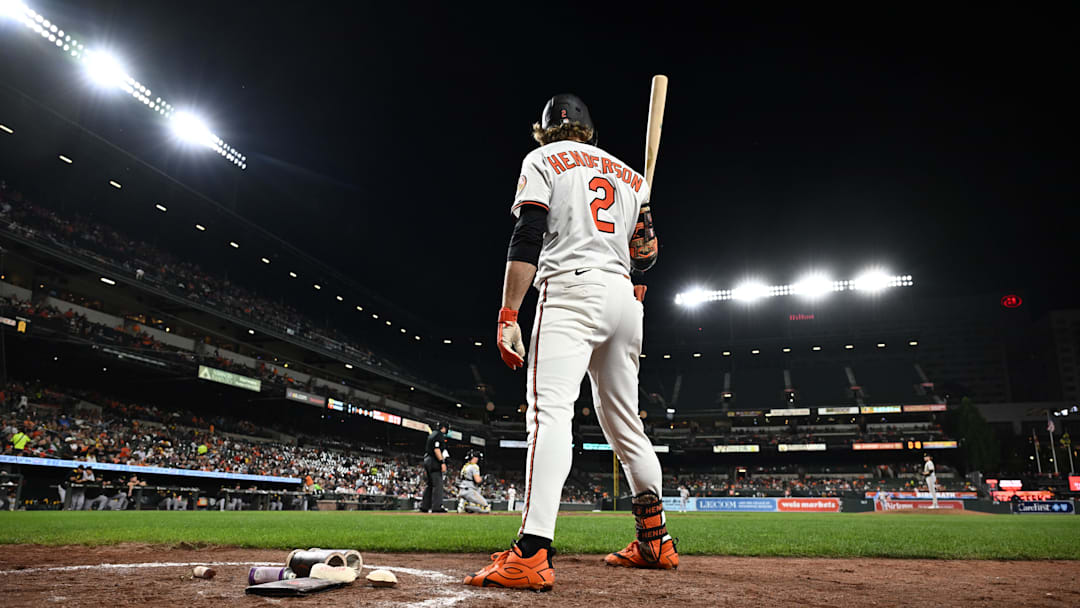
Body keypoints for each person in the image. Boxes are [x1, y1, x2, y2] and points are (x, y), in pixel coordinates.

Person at [466, 94, 675, 592]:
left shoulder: (541, 159)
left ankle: (532, 550)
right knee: (624, 424)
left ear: (543, 130)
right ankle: (654, 538)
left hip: (571, 291)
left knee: (550, 412)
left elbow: (527, 236)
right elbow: (643, 257)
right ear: (589, 129)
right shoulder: (630, 177)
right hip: (625, 301)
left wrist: (508, 313)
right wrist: (644, 242)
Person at [420, 422, 449, 513]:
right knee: (438, 485)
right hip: (434, 461)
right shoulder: (439, 435)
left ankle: (424, 506)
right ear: (444, 428)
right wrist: (442, 462)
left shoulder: (432, 434)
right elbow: (437, 449)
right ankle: (437, 507)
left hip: (427, 459)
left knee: (430, 484)